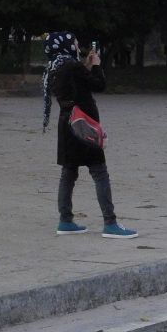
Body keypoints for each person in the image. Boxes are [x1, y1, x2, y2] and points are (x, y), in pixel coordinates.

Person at [42, 31, 138, 238]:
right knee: (99, 171)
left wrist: (85, 65)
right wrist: (96, 65)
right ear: (67, 45)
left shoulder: (56, 66)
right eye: (75, 43)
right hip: (83, 125)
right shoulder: (72, 66)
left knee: (69, 172)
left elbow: (77, 84)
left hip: (66, 123)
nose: (78, 47)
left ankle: (65, 220)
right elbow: (99, 85)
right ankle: (110, 223)